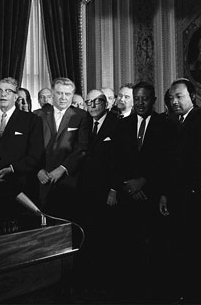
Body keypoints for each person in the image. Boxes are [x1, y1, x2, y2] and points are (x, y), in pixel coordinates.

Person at [108, 81, 175, 300]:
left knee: (153, 247)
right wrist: (126, 185)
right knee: (128, 246)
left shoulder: (165, 124)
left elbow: (166, 161)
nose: (139, 103)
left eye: (144, 98)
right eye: (136, 98)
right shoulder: (121, 125)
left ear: (153, 100)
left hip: (152, 195)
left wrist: (144, 181)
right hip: (127, 194)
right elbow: (115, 161)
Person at [164, 78, 201, 302]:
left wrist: (194, 191)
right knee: (183, 249)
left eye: (179, 96)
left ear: (192, 97)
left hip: (196, 199)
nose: (174, 101)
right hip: (181, 197)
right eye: (171, 98)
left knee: (197, 251)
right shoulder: (177, 122)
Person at [77, 89, 119, 296]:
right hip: (86, 191)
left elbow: (120, 160)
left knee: (106, 237)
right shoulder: (84, 122)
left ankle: (106, 284)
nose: (92, 106)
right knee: (89, 236)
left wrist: (114, 188)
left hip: (106, 191)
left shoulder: (116, 123)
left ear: (106, 104)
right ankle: (90, 282)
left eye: (97, 101)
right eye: (89, 102)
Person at [0, 77, 43, 218]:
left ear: (15, 96)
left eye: (8, 91)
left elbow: (35, 155)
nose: (2, 94)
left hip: (21, 187)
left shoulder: (31, 120)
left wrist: (11, 169)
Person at [37, 77, 91, 219]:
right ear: (53, 93)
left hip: (68, 180)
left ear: (72, 95)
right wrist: (38, 169)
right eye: (59, 93)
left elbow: (81, 148)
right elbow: (32, 147)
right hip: (40, 178)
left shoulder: (81, 116)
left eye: (67, 94)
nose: (63, 97)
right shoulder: (38, 115)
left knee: (65, 223)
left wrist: (62, 169)